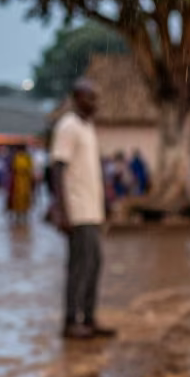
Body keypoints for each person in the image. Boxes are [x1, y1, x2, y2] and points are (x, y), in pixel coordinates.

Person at [51, 80, 116, 340]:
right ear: (77, 98)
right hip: (77, 212)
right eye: (90, 98)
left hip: (92, 211)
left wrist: (105, 205)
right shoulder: (68, 126)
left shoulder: (88, 128)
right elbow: (57, 169)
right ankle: (70, 321)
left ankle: (88, 318)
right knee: (79, 267)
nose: (95, 103)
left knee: (94, 265)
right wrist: (63, 211)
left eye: (96, 98)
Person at [7, 145, 34, 223]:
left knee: (25, 197)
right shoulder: (16, 157)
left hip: (26, 181)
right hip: (17, 181)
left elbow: (30, 169)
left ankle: (25, 213)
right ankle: (17, 214)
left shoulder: (27, 157)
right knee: (17, 197)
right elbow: (13, 168)